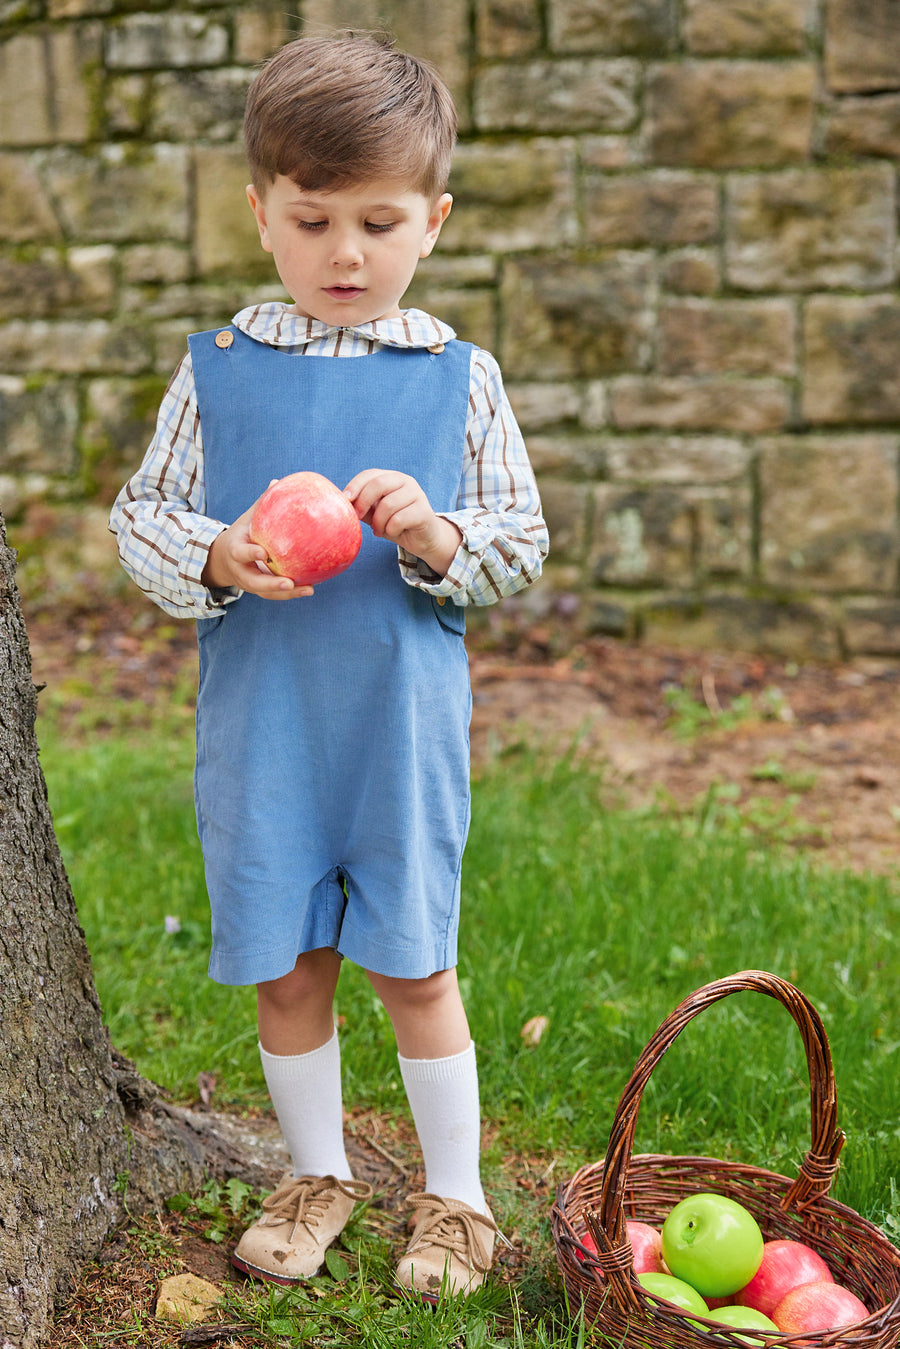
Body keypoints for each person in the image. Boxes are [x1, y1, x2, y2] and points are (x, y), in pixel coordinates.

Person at [109, 30, 548, 1301]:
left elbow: (517, 544)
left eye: (378, 220)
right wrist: (217, 549)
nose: (344, 253)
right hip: (267, 723)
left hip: (397, 725)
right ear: (261, 215)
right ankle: (317, 1170)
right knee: (288, 960)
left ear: (435, 220)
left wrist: (435, 531)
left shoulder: (459, 379)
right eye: (312, 220)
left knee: (414, 960)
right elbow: (142, 513)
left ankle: (454, 1194)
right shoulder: (219, 370)